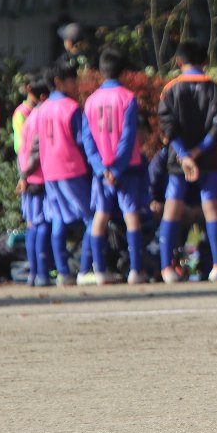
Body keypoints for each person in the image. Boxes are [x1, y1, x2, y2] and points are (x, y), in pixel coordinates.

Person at [157, 40, 217, 283]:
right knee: (212, 208)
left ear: (179, 61)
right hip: (208, 158)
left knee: (172, 208)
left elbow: (167, 127)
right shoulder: (216, 89)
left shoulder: (170, 89)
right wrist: (198, 152)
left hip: (179, 161)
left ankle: (166, 268)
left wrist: (184, 155)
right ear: (205, 61)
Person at [82, 48, 148, 285]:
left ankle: (99, 270)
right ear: (124, 72)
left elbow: (87, 139)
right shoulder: (128, 98)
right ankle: (136, 270)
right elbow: (128, 136)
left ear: (101, 71)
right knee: (131, 215)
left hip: (101, 170)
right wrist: (117, 168)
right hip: (126, 167)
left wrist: (101, 168)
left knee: (100, 215)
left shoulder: (90, 101)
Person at [34, 63, 94, 287]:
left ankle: (63, 272)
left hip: (50, 171)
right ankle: (85, 268)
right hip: (72, 169)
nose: (76, 84)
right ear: (59, 81)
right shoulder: (71, 107)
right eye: (72, 80)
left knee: (57, 219)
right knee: (92, 218)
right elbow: (82, 141)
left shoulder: (42, 109)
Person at [16, 77, 52, 286]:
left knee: (32, 224)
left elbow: (22, 148)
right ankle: (42, 273)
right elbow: (36, 150)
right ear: (45, 97)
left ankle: (33, 273)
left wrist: (23, 174)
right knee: (42, 223)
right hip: (39, 176)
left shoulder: (29, 117)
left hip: (28, 176)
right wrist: (25, 173)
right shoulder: (41, 116)